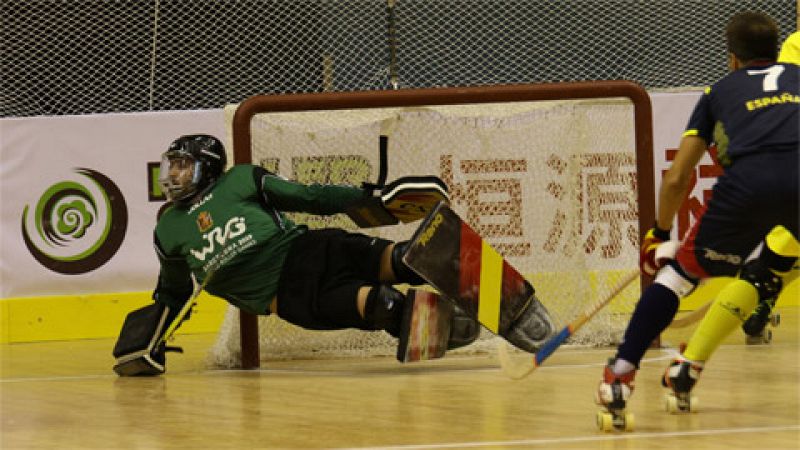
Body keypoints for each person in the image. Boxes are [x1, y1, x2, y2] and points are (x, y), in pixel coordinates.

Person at [113, 134, 554, 375]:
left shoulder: (241, 180)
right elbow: (171, 292)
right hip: (287, 297)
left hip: (311, 249)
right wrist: (149, 341)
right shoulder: (167, 227)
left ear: (207, 166)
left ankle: (508, 306)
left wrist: (373, 198)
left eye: (181, 164)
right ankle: (447, 326)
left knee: (407, 258)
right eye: (171, 164)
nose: (172, 173)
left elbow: (308, 196)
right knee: (384, 305)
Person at [595, 11, 798, 414]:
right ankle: (687, 366)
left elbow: (676, 178)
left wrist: (657, 234)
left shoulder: (718, 91)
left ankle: (619, 377)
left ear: (732, 58)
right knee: (771, 270)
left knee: (676, 278)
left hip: (748, 185)